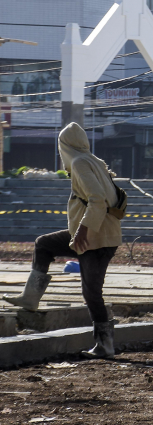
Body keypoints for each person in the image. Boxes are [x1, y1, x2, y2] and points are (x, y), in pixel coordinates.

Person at [2, 123, 122, 358]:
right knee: (44, 244)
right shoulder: (95, 161)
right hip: (98, 234)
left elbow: (97, 200)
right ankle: (30, 298)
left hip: (96, 239)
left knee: (92, 293)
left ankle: (105, 345)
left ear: (64, 147)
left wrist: (82, 232)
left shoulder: (79, 163)